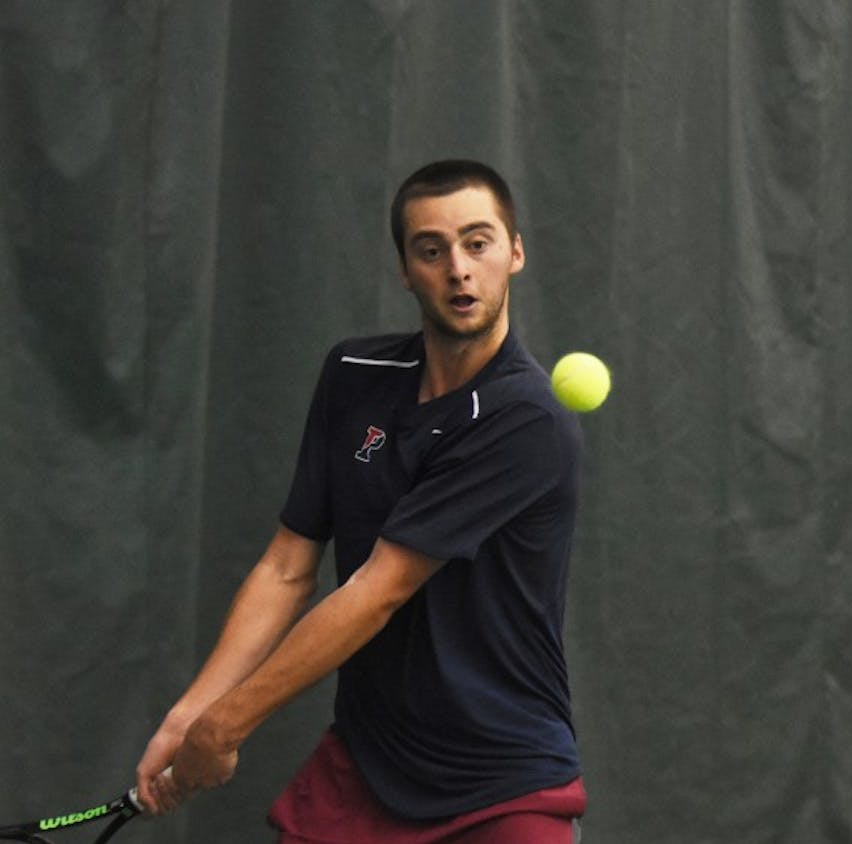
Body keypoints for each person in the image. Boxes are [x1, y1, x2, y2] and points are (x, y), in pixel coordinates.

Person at [134, 160, 587, 842]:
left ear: (514, 252)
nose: (458, 269)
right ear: (406, 269)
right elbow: (288, 567)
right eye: (430, 250)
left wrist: (225, 725)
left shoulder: (525, 419)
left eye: (478, 242)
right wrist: (189, 715)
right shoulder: (354, 376)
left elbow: (380, 589)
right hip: (368, 766)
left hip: (503, 786)